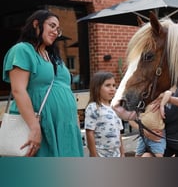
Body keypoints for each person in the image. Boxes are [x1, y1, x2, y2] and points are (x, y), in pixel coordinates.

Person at [2, 9, 84, 157]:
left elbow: (65, 89)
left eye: (58, 30)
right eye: (52, 26)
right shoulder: (23, 50)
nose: (55, 32)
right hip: (40, 124)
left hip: (65, 127)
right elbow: (18, 90)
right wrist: (34, 128)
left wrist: (74, 121)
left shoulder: (53, 56)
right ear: (36, 24)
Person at [84, 71, 125, 157]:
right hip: (101, 154)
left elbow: (119, 133)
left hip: (116, 154)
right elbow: (89, 132)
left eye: (114, 85)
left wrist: (122, 153)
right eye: (107, 85)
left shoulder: (115, 108)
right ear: (97, 88)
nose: (112, 89)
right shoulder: (94, 107)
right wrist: (94, 154)